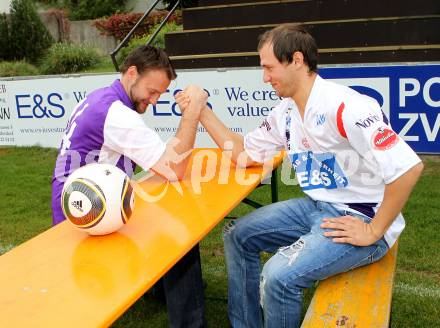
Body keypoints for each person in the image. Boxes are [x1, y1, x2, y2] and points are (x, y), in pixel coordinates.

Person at [176, 24, 424, 328]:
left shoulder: (347, 106)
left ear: (296, 59)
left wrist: (374, 231)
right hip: (317, 207)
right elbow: (244, 155)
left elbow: (409, 168)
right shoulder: (286, 111)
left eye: (268, 67)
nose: (264, 77)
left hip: (358, 218)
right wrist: (202, 111)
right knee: (236, 235)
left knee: (277, 277)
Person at [51, 45, 207, 328]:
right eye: (152, 91)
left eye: (160, 93)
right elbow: (174, 167)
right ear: (132, 73)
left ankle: (159, 290)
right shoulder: (117, 114)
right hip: (88, 213)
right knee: (182, 237)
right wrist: (193, 111)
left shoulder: (101, 98)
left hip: (81, 203)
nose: (155, 100)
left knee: (166, 226)